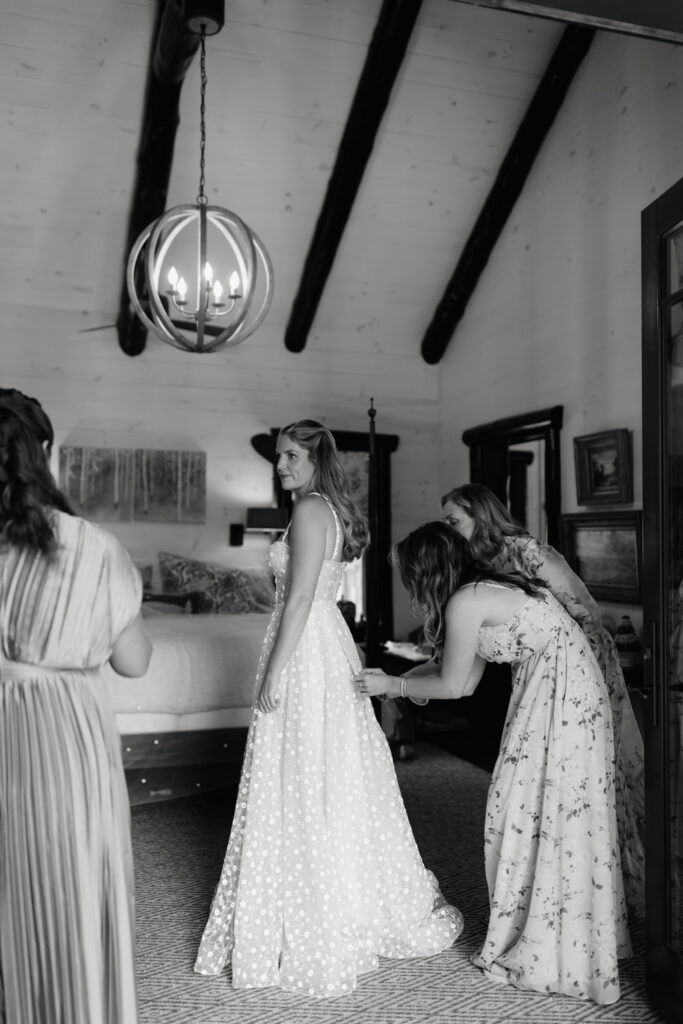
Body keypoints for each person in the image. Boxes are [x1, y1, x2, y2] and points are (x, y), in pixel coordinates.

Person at [194, 419, 462, 997]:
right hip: (318, 640)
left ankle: (323, 905)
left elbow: (296, 600)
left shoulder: (313, 510)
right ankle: (324, 889)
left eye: (291, 455)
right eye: (279, 456)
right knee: (319, 769)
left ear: (317, 460)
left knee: (307, 769)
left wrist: (273, 670)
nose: (281, 465)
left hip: (307, 647)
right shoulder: (318, 508)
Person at [356, 521, 631, 1004]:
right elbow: (455, 671)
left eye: (409, 577)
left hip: (561, 700)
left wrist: (392, 688)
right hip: (557, 692)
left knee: (527, 811)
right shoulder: (481, 590)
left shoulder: (467, 600)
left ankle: (552, 947)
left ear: (427, 570)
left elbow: (456, 687)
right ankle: (558, 935)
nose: (409, 589)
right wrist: (392, 678)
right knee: (536, 812)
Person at [0, 390, 153, 1024]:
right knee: (77, 875)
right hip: (68, 736)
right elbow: (135, 662)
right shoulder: (94, 547)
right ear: (46, 453)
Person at [440, 483, 645, 914]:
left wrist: (580, 678)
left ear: (480, 515)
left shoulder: (530, 553)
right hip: (530, 676)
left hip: (580, 669)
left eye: (453, 521)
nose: (449, 529)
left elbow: (584, 611)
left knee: (594, 773)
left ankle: (606, 888)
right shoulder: (477, 565)